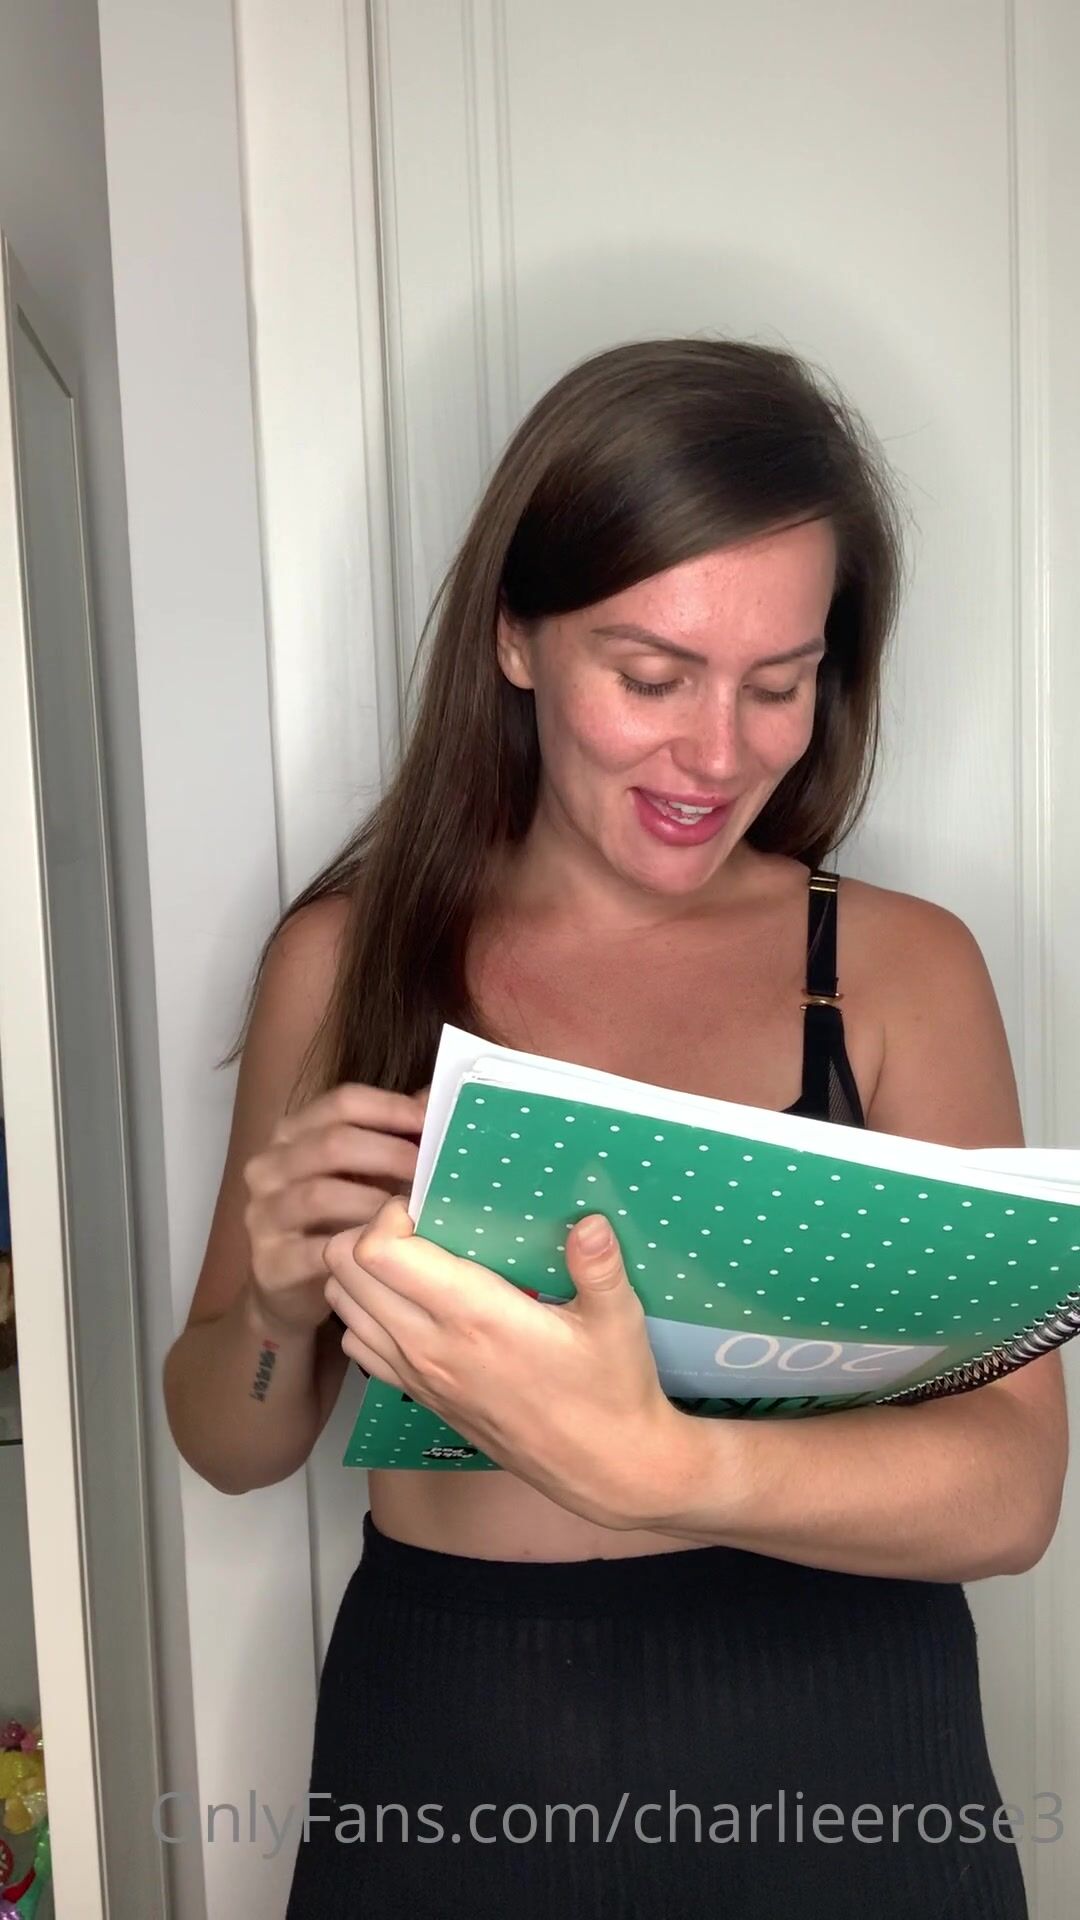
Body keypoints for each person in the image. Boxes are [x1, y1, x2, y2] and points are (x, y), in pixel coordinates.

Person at [163, 338, 1067, 1918]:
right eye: (652, 677)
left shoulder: (896, 971)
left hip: (849, 1741)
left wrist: (660, 1466)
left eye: (777, 684)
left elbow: (1011, 1494)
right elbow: (229, 1441)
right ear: (514, 638)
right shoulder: (349, 959)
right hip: (452, 1739)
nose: (719, 754)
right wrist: (276, 1310)